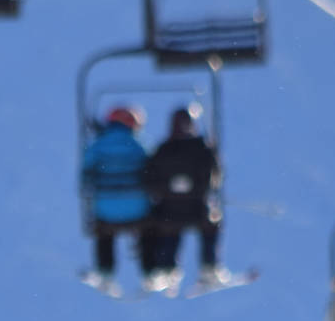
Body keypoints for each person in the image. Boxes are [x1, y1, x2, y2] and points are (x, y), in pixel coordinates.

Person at [141, 105, 227, 291]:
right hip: (198, 209)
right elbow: (214, 179)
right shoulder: (203, 148)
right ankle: (209, 266)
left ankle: (167, 268)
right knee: (211, 224)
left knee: (169, 228)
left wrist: (169, 190)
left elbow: (149, 180)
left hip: (169, 212)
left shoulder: (163, 150)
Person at [81, 106, 156, 296]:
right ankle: (149, 271)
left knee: (104, 231)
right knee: (148, 228)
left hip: (105, 209)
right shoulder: (138, 146)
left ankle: (105, 271)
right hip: (137, 209)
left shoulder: (97, 145)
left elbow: (85, 176)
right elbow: (152, 172)